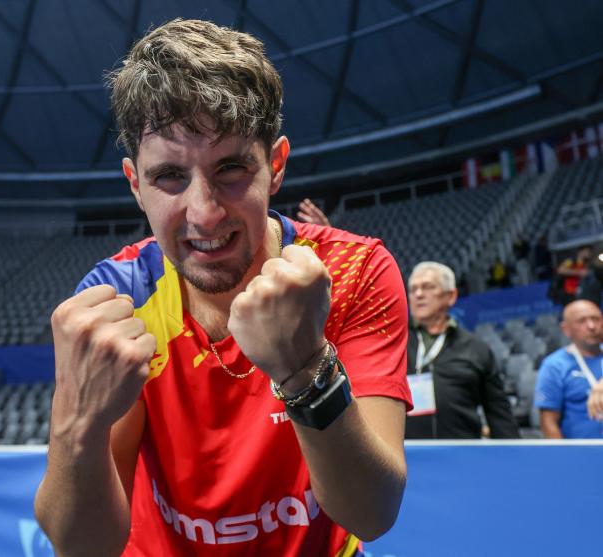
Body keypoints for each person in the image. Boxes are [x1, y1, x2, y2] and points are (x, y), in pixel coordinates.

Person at [34, 19, 411, 557]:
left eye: (231, 168)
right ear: (135, 184)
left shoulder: (354, 271)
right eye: (169, 178)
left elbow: (372, 514)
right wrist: (77, 423)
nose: (205, 214)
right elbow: (82, 548)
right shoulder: (117, 301)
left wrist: (306, 368)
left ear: (275, 166)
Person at [406, 261, 519, 439]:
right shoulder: (393, 344)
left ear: (451, 296)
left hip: (462, 456)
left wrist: (513, 459)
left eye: (428, 287)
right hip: (406, 457)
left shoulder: (476, 349)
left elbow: (499, 414)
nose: (418, 294)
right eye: (413, 290)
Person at [535, 299, 603, 438]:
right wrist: (564, 458)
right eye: (581, 321)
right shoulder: (555, 365)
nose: (591, 326)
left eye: (596, 319)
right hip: (583, 454)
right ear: (566, 329)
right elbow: (548, 422)